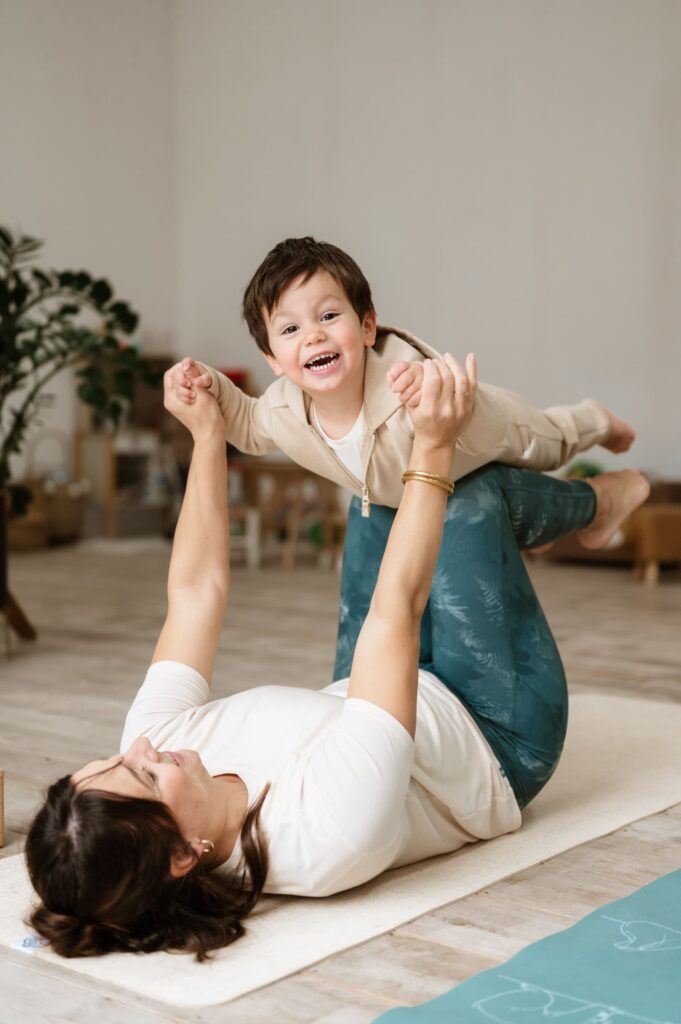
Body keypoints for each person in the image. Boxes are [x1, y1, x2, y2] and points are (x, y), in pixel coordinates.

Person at [25, 356, 649, 963]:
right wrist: (434, 445)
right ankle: (599, 503)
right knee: (467, 491)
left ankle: (562, 489)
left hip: (372, 689)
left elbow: (194, 595)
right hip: (493, 733)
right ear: (185, 854)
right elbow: (393, 615)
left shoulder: (149, 749)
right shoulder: (324, 836)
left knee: (372, 488)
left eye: (110, 759)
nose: (138, 748)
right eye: (145, 776)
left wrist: (209, 435)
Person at [169, 235, 635, 518]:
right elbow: (247, 427)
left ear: (367, 326)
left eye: (329, 316)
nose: (313, 336)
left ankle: (597, 420)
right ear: (272, 358)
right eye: (291, 329)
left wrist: (426, 383)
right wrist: (209, 384)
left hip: (481, 429)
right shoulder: (282, 409)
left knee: (546, 439)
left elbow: (430, 379)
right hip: (409, 493)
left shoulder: (400, 379)